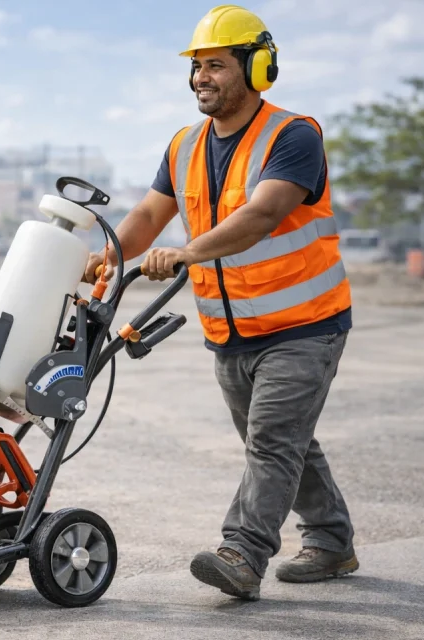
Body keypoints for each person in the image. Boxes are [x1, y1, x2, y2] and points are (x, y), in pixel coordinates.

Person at [83, 5, 357, 601]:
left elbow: (260, 216)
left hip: (305, 325)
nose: (201, 77)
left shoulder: (293, 136)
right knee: (284, 442)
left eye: (215, 65)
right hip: (231, 333)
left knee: (273, 441)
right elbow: (148, 218)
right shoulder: (184, 145)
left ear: (257, 68)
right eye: (196, 66)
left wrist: (185, 254)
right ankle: (333, 541)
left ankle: (242, 552)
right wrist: (108, 256)